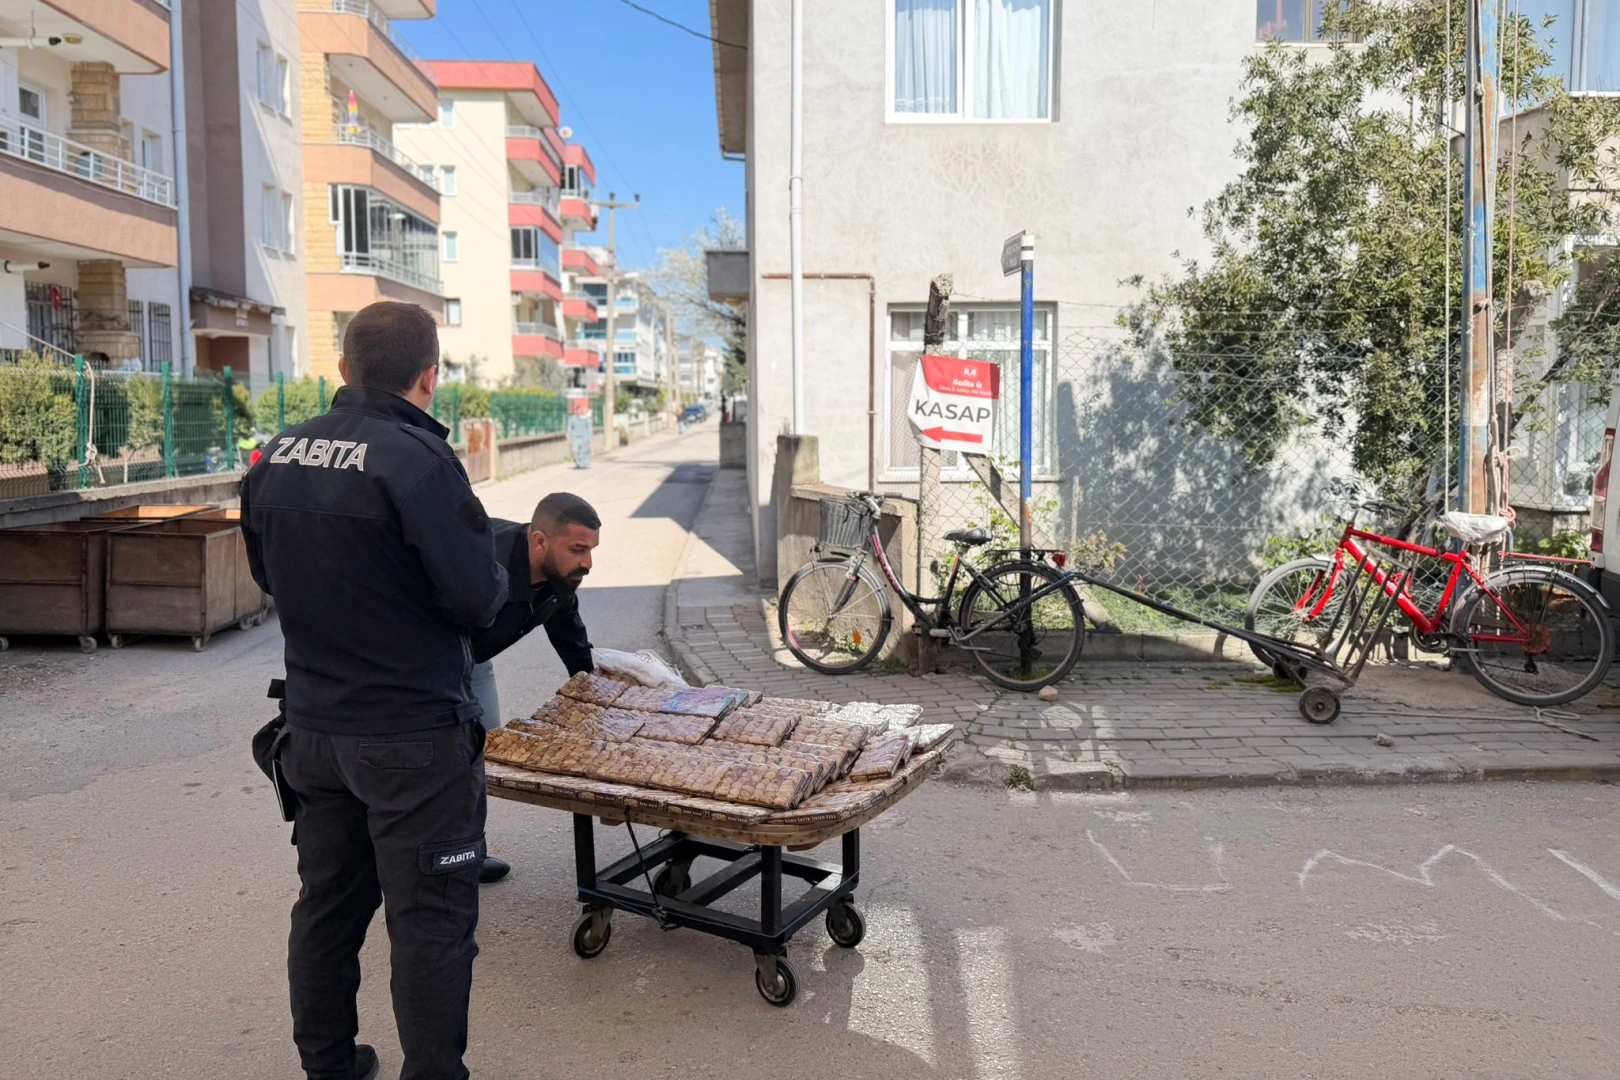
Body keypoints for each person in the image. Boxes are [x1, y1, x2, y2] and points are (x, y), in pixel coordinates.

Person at [240, 301, 509, 1080]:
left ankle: (327, 1065)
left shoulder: (275, 456)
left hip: (314, 729)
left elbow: (268, 576)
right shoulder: (419, 461)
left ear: (343, 370)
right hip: (412, 739)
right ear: (430, 376)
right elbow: (477, 597)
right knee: (431, 923)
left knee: (326, 908)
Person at [466, 492, 601, 884]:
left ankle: (468, 852)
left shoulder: (560, 580)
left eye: (591, 550)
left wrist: (594, 695)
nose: (588, 563)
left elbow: (570, 636)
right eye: (578, 549)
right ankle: (426, 859)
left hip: (474, 660)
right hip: (427, 662)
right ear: (540, 541)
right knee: (438, 755)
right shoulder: (482, 560)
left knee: (478, 752)